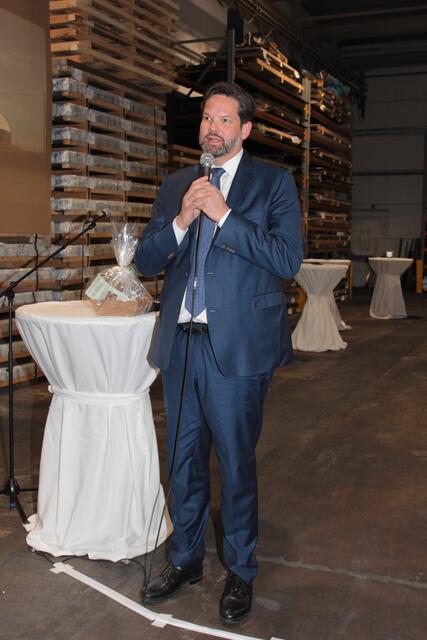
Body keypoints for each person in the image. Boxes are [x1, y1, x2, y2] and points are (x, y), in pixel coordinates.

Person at [134, 81, 303, 625]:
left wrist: (226, 216)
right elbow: (145, 261)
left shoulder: (273, 183)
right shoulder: (177, 184)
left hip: (237, 350)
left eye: (225, 119)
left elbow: (287, 259)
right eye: (208, 117)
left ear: (245, 129)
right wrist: (182, 221)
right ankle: (185, 559)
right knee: (183, 463)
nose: (212, 127)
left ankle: (241, 570)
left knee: (234, 464)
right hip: (182, 345)